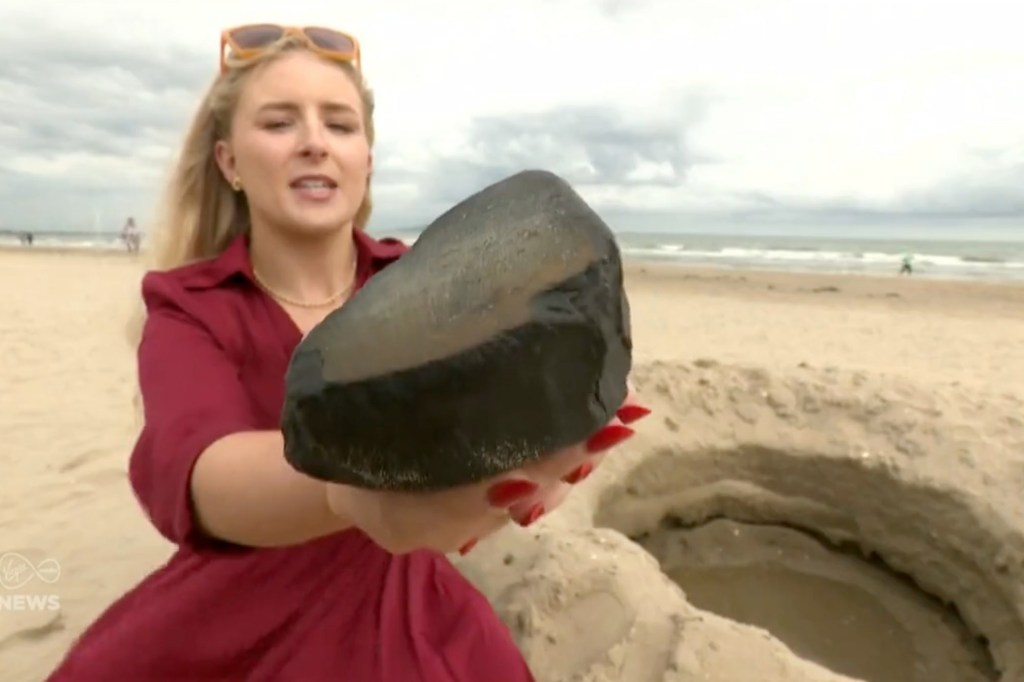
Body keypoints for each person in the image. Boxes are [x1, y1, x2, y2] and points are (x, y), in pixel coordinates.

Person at [45, 24, 650, 681]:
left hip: (408, 600)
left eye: (339, 125)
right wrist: (349, 493)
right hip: (237, 617)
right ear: (229, 163)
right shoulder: (190, 305)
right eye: (279, 123)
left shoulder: (417, 281)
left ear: (366, 160)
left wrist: (543, 430)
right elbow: (199, 468)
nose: (314, 143)